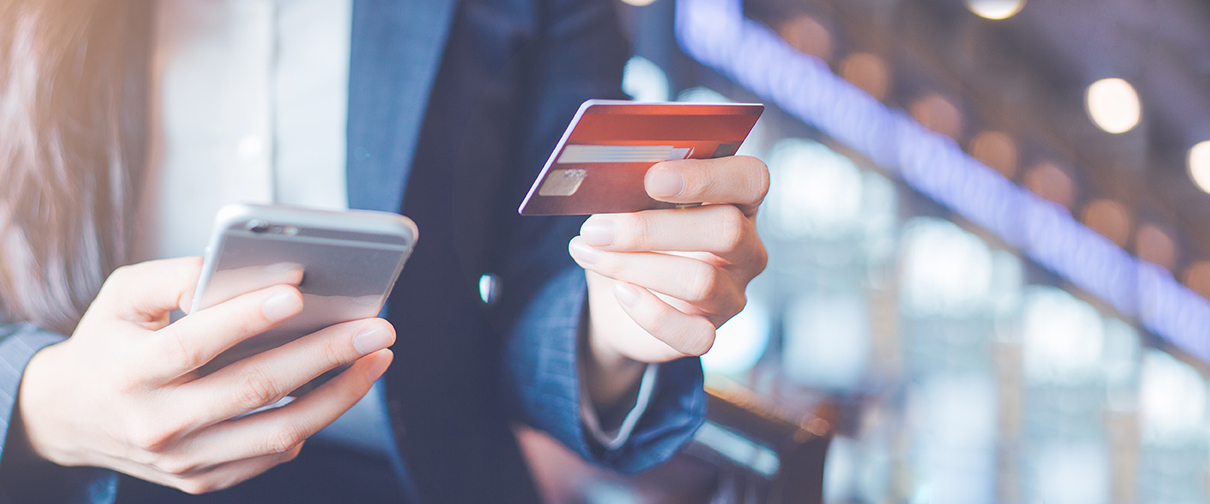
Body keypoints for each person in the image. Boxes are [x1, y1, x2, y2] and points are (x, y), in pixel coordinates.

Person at [0, 0, 770, 502]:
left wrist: (618, 323)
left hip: (416, 480)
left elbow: (551, 264)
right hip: (79, 479)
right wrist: (44, 404)